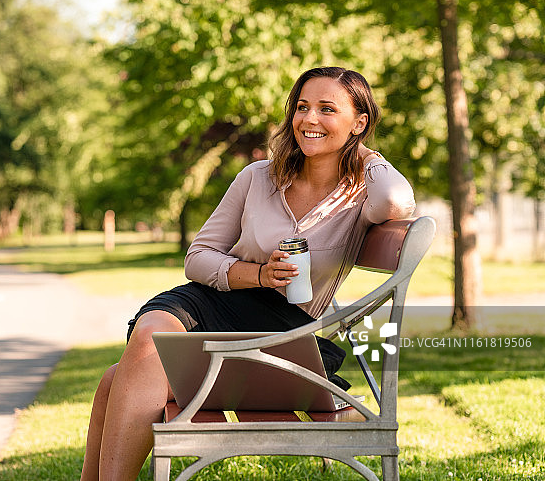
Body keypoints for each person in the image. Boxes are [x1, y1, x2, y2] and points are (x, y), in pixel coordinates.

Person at [79, 66, 417, 481]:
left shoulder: (362, 194)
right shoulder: (258, 177)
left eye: (327, 109)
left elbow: (398, 203)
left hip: (281, 330)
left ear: (359, 122)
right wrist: (258, 275)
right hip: (210, 301)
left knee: (117, 379)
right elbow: (198, 257)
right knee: (149, 336)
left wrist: (365, 154)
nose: (309, 119)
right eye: (302, 107)